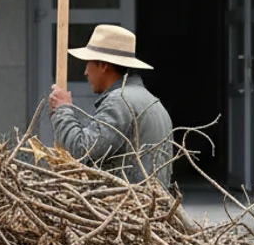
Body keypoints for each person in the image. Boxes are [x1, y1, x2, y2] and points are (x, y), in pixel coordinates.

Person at [48, 24, 174, 184]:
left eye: (89, 63)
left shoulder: (119, 101)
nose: (85, 72)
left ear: (103, 66)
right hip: (148, 203)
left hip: (128, 204)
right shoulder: (152, 101)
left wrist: (63, 109)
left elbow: (82, 150)